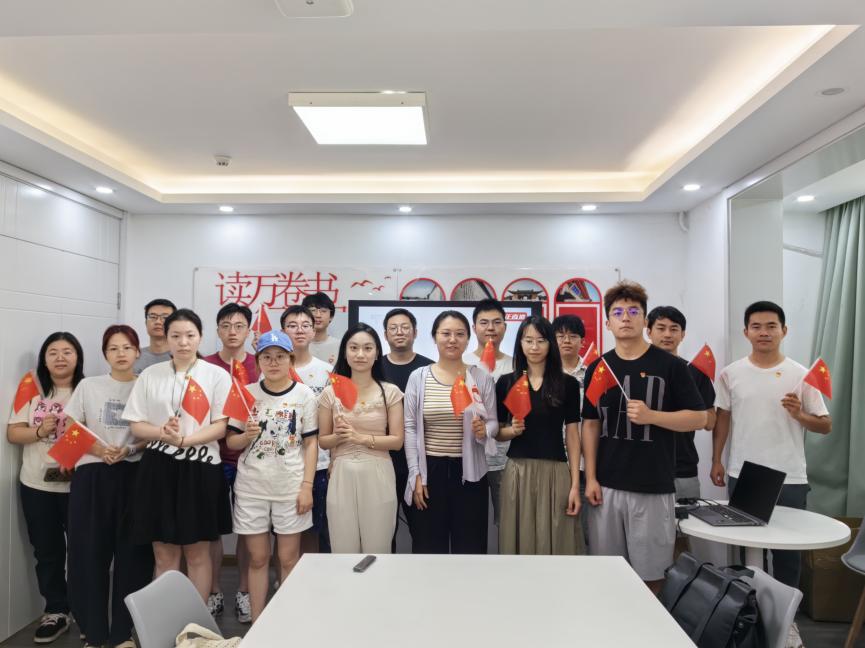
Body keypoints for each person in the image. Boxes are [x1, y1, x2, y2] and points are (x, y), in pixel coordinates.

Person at [582, 281, 705, 593]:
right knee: (607, 573)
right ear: (607, 322)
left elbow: (699, 417)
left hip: (653, 486)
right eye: (617, 312)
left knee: (651, 575)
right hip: (606, 488)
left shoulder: (671, 366)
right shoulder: (599, 367)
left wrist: (653, 416)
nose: (625, 317)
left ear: (644, 321)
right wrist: (591, 478)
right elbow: (591, 424)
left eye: (633, 311)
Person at [712, 301, 831, 590]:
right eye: (756, 327)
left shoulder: (801, 374)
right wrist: (716, 460)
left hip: (789, 477)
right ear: (746, 332)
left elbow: (825, 425)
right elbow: (722, 418)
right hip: (743, 475)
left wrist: (799, 415)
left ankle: (788, 616)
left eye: (771, 326)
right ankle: (749, 610)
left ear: (784, 331)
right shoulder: (730, 373)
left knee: (788, 555)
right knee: (749, 554)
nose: (763, 332)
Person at [123, 308, 232, 602]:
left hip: (201, 467)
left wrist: (184, 440)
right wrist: (162, 432)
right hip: (158, 468)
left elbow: (221, 426)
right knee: (164, 553)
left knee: (197, 553)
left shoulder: (216, 375)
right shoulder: (150, 374)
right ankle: (166, 620)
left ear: (200, 337)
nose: (183, 342)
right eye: (176, 336)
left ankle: (195, 621)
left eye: (190, 335)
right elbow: (136, 424)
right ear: (167, 338)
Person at [64, 325, 153, 648]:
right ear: (105, 354)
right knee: (89, 553)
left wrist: (129, 449)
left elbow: (154, 433)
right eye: (113, 348)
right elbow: (70, 428)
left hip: (134, 475)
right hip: (92, 475)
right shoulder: (88, 386)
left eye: (127, 347)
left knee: (133, 556)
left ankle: (122, 634)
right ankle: (94, 632)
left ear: (137, 352)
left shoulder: (146, 386)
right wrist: (100, 450)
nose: (121, 354)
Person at [226, 331, 318, 623]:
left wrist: (307, 486)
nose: (274, 362)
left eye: (280, 356)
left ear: (291, 359)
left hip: (290, 486)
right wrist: (246, 436)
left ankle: (286, 623)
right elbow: (231, 442)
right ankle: (258, 622)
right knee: (257, 558)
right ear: (258, 362)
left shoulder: (304, 395)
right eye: (267, 357)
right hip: (251, 488)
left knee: (288, 559)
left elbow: (311, 443)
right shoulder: (245, 392)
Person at [6, 332, 84, 644]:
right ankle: (56, 610)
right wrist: (39, 431)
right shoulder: (32, 390)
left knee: (83, 551)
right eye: (53, 352)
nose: (60, 357)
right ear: (44, 358)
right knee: (47, 552)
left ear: (78, 357)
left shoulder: (86, 389)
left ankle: (85, 610)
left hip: (79, 486)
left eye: (67, 351)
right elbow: (14, 433)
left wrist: (72, 454)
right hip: (36, 485)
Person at [405, 310, 498, 554]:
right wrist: (416, 474)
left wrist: (484, 430)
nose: (452, 340)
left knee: (470, 547)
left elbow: (493, 423)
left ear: (468, 339)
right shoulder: (419, 377)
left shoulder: (480, 377)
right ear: (434, 337)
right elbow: (410, 428)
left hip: (470, 473)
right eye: (445, 333)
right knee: (428, 546)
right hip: (430, 471)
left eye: (460, 334)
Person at [495, 316, 584, 555]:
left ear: (550, 344)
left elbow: (573, 435)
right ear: (520, 343)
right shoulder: (506, 382)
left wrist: (575, 485)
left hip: (556, 472)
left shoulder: (567, 384)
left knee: (556, 538)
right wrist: (512, 430)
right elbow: (497, 433)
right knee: (518, 539)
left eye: (541, 340)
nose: (534, 347)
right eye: (528, 340)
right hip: (518, 472)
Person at [319, 324, 405, 553]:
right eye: (354, 348)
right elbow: (323, 441)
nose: (360, 354)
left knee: (378, 547)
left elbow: (397, 441)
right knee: (342, 548)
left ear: (377, 353)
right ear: (345, 352)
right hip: (341, 472)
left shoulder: (390, 392)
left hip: (379, 472)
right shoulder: (330, 392)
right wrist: (338, 436)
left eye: (367, 348)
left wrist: (360, 438)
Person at [203, 302, 258, 621]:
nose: (232, 331)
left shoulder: (260, 363)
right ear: (217, 330)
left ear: (249, 330)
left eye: (239, 326)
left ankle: (245, 591)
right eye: (225, 325)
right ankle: (212, 591)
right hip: (212, 456)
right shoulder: (205, 366)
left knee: (249, 530)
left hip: (250, 458)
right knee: (211, 529)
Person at [646, 306, 716, 500]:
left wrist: (689, 413)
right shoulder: (634, 369)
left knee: (686, 520)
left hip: (683, 469)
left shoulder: (695, 372)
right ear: (648, 331)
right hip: (641, 468)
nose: (667, 334)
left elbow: (710, 422)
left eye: (674, 329)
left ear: (683, 334)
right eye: (661, 328)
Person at [280, 305, 333, 553]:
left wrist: (334, 458)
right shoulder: (273, 370)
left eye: (305, 326)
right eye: (292, 326)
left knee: (314, 530)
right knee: (284, 534)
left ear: (313, 331)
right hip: (284, 463)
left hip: (319, 462)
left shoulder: (327, 371)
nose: (299, 331)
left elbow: (335, 418)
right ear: (283, 331)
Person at [380, 307, 433, 549]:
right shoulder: (374, 368)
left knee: (423, 531)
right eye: (393, 328)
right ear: (385, 334)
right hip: (383, 460)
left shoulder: (429, 369)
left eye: (405, 327)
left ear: (415, 332)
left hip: (420, 462)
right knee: (383, 532)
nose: (399, 332)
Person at [462, 298, 513, 526]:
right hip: (469, 457)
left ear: (505, 327)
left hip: (506, 460)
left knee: (508, 523)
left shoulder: (516, 365)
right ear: (474, 328)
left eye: (496, 322)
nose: (490, 328)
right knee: (470, 522)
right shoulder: (461, 363)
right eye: (484, 322)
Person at [133, 298, 177, 373]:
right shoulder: (134, 357)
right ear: (146, 323)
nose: (158, 322)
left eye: (165, 317)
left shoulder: (182, 356)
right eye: (153, 317)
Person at [302, 292, 340, 365]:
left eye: (323, 311)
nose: (318, 315)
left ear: (331, 317)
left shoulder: (340, 346)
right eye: (313, 310)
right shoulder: (297, 345)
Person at [552, 315, 587, 388]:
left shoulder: (591, 370)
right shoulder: (545, 370)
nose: (567, 341)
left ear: (582, 342)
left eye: (573, 336)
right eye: (561, 336)